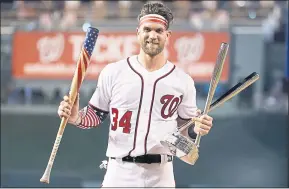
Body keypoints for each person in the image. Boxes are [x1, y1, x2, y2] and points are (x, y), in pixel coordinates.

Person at [58, 1, 214, 187]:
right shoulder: (113, 72)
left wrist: (196, 129)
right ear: (138, 32)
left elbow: (185, 134)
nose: (152, 35)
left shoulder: (183, 81)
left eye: (158, 30)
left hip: (161, 174)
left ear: (167, 35)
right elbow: (95, 115)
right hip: (119, 172)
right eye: (147, 29)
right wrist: (76, 117)